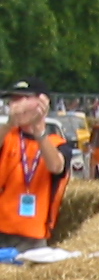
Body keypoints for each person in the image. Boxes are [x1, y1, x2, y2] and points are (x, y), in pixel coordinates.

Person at [0, 79, 68, 252]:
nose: (16, 105)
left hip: (33, 238)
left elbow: (56, 166)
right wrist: (9, 123)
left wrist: (39, 132)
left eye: (22, 99)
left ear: (42, 102)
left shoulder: (56, 143)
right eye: (13, 100)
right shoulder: (7, 136)